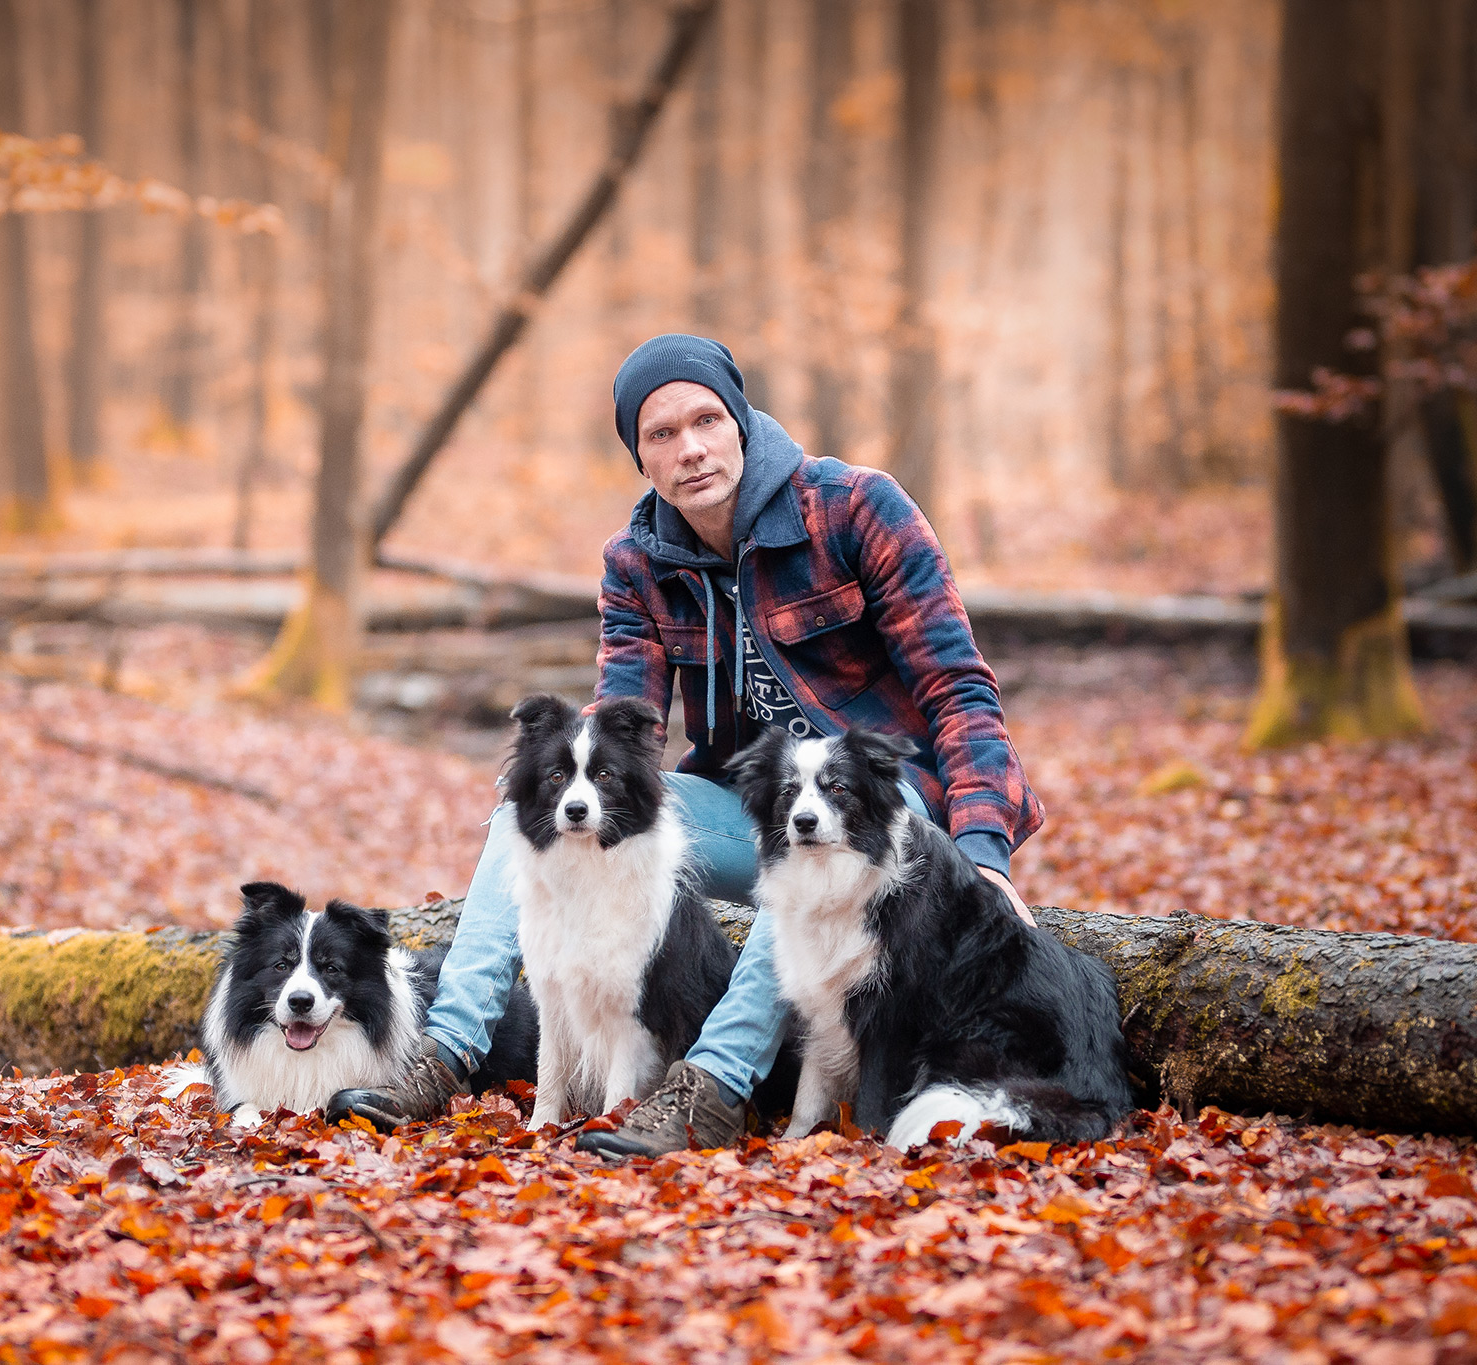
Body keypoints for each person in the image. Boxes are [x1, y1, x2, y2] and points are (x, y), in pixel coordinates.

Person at [329, 334, 1044, 1157]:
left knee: (811, 862)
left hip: (888, 818)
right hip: (742, 812)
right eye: (661, 434)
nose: (691, 448)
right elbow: (615, 742)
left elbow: (960, 689)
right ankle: (443, 1054)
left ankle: (712, 1087)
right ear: (640, 456)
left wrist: (987, 852)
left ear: (740, 419)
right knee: (521, 816)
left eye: (706, 419)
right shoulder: (637, 562)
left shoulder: (857, 509)